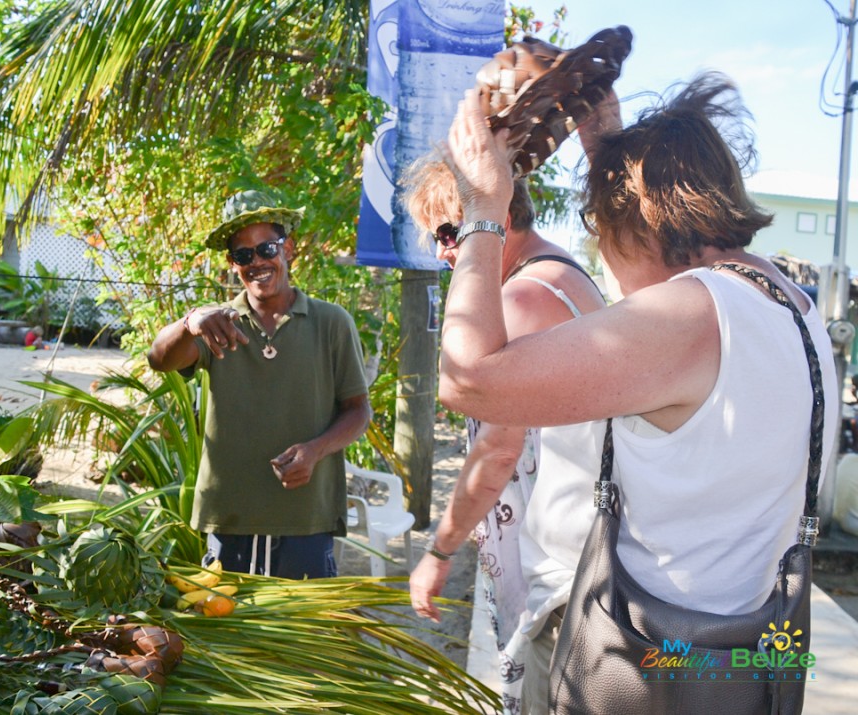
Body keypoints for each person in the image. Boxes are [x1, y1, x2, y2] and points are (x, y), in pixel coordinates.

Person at [433, 73, 838, 714]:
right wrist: (607, 145)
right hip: (737, 665)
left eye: (603, 228)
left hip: (646, 670)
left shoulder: (692, 317)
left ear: (640, 223)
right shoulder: (790, 306)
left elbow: (466, 378)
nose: (601, 251)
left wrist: (484, 208)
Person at [403, 152, 610, 713]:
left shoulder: (524, 296)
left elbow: (498, 450)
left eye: (450, 232)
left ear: (500, 216)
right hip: (574, 554)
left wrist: (439, 549)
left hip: (558, 571)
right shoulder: (560, 272)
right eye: (437, 239)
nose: (445, 252)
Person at [147, 189, 371, 579]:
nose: (258, 262)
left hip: (306, 517)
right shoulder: (216, 325)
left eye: (267, 248)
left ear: (290, 249)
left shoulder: (331, 323)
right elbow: (159, 360)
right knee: (229, 634)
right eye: (244, 255)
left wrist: (316, 450)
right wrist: (189, 321)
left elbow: (358, 411)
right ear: (232, 264)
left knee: (306, 635)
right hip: (230, 518)